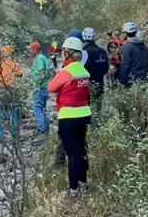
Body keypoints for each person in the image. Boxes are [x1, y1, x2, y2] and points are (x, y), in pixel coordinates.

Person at [47, 37, 91, 198]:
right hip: (84, 114)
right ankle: (84, 182)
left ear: (67, 53)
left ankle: (73, 189)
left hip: (68, 116)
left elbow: (51, 87)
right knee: (81, 150)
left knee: (72, 154)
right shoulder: (84, 71)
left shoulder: (67, 72)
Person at [81, 28, 109, 125]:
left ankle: (90, 130)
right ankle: (98, 129)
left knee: (88, 108)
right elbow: (106, 68)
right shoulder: (102, 51)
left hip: (87, 85)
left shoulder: (84, 52)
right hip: (100, 83)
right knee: (98, 108)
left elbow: (81, 68)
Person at [0, 45, 22, 141]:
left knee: (1, 113)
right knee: (13, 113)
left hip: (1, 90)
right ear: (11, 54)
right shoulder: (15, 65)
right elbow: (20, 75)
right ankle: (13, 136)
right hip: (12, 90)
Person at [27, 41, 51, 134]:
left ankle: (42, 129)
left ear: (35, 50)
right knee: (43, 108)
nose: (30, 51)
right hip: (45, 87)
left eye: (31, 49)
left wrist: (37, 85)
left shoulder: (39, 59)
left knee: (38, 108)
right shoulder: (44, 57)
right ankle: (46, 127)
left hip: (40, 88)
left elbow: (42, 75)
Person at [117, 22, 148, 88]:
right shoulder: (144, 46)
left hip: (132, 83)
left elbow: (125, 66)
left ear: (126, 33)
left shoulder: (127, 47)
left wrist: (122, 81)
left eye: (123, 33)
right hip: (144, 80)